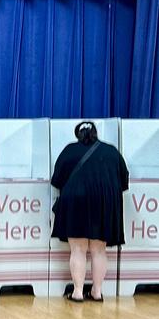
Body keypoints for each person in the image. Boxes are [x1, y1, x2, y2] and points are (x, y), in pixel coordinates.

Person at [51, 121, 129, 302]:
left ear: (78, 135)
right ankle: (97, 291)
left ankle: (78, 292)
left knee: (78, 249)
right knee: (99, 250)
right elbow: (124, 181)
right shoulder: (111, 151)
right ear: (96, 134)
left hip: (76, 202)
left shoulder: (69, 150)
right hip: (104, 205)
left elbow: (56, 180)